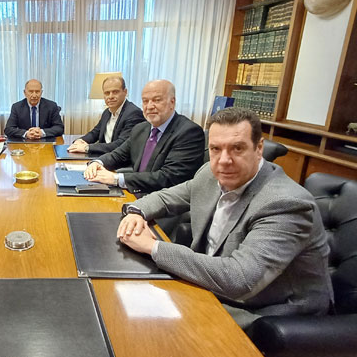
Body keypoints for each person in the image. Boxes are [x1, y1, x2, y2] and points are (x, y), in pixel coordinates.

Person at [117, 107, 332, 328]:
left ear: (259, 148)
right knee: (125, 306)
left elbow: (240, 280)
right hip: (213, 284)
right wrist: (136, 212)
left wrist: (153, 247)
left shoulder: (285, 203)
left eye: (237, 148)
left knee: (150, 328)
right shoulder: (210, 174)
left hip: (267, 312)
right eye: (215, 149)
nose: (224, 160)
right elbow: (166, 197)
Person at [83, 79, 204, 195]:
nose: (149, 106)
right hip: (135, 193)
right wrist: (98, 163)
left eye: (156, 100)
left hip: (164, 202)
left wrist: (116, 178)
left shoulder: (189, 132)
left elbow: (169, 177)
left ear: (172, 102)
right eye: (145, 101)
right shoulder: (141, 128)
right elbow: (119, 155)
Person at [68, 76, 144, 155]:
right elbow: (95, 133)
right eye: (107, 93)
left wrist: (87, 147)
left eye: (115, 92)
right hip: (105, 156)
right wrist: (80, 141)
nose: (110, 96)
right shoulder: (107, 112)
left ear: (125, 92)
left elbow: (121, 144)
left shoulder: (134, 113)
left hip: (121, 160)